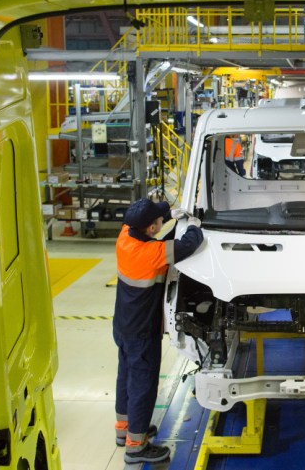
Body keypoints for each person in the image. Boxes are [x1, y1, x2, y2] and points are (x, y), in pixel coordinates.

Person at [113, 198, 204, 464]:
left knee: (126, 376)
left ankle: (124, 430)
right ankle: (136, 446)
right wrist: (194, 225)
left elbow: (153, 229)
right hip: (143, 331)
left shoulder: (125, 237)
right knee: (143, 385)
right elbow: (188, 244)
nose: (161, 222)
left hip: (123, 326)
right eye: (158, 222)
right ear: (151, 228)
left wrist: (168, 214)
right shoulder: (151, 254)